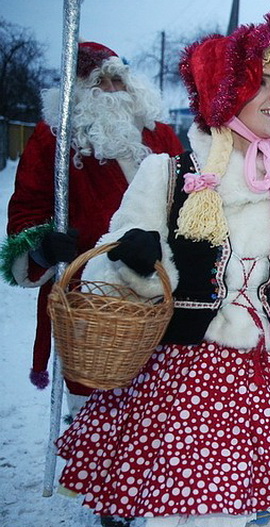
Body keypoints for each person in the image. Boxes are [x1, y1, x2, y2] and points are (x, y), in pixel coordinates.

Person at [53, 9, 270, 527]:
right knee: (197, 521)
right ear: (225, 87)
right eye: (262, 82)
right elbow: (105, 271)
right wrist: (136, 262)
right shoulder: (169, 173)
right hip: (191, 378)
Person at [1, 41, 184, 423]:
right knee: (96, 418)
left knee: (158, 416)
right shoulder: (53, 139)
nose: (115, 90)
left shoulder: (160, 136)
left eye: (120, 78)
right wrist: (42, 246)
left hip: (160, 292)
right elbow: (27, 209)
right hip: (91, 300)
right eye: (101, 82)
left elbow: (187, 202)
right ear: (79, 91)